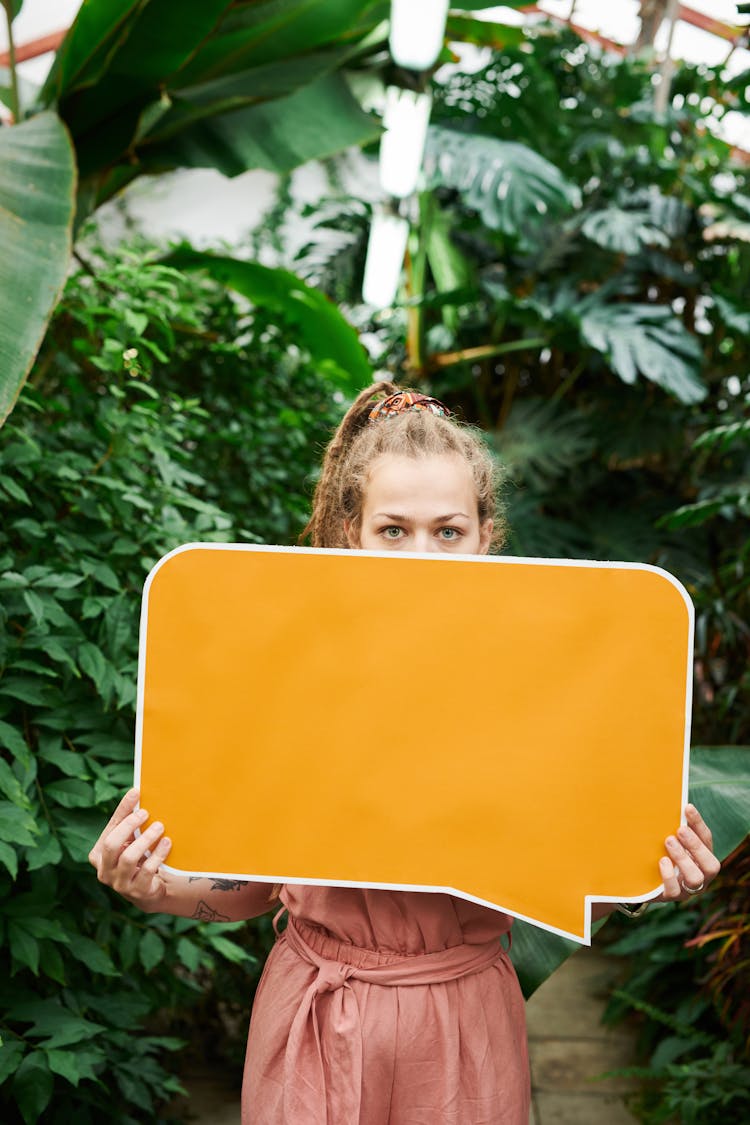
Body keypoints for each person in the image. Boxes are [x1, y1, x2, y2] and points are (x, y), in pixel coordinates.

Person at [89, 382, 721, 1124]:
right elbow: (256, 889)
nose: (422, 555)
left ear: (486, 533)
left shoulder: (538, 686)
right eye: (395, 529)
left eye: (447, 530)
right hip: (316, 1022)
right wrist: (150, 885)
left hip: (466, 1030)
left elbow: (563, 877)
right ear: (350, 529)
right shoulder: (294, 677)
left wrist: (654, 869)